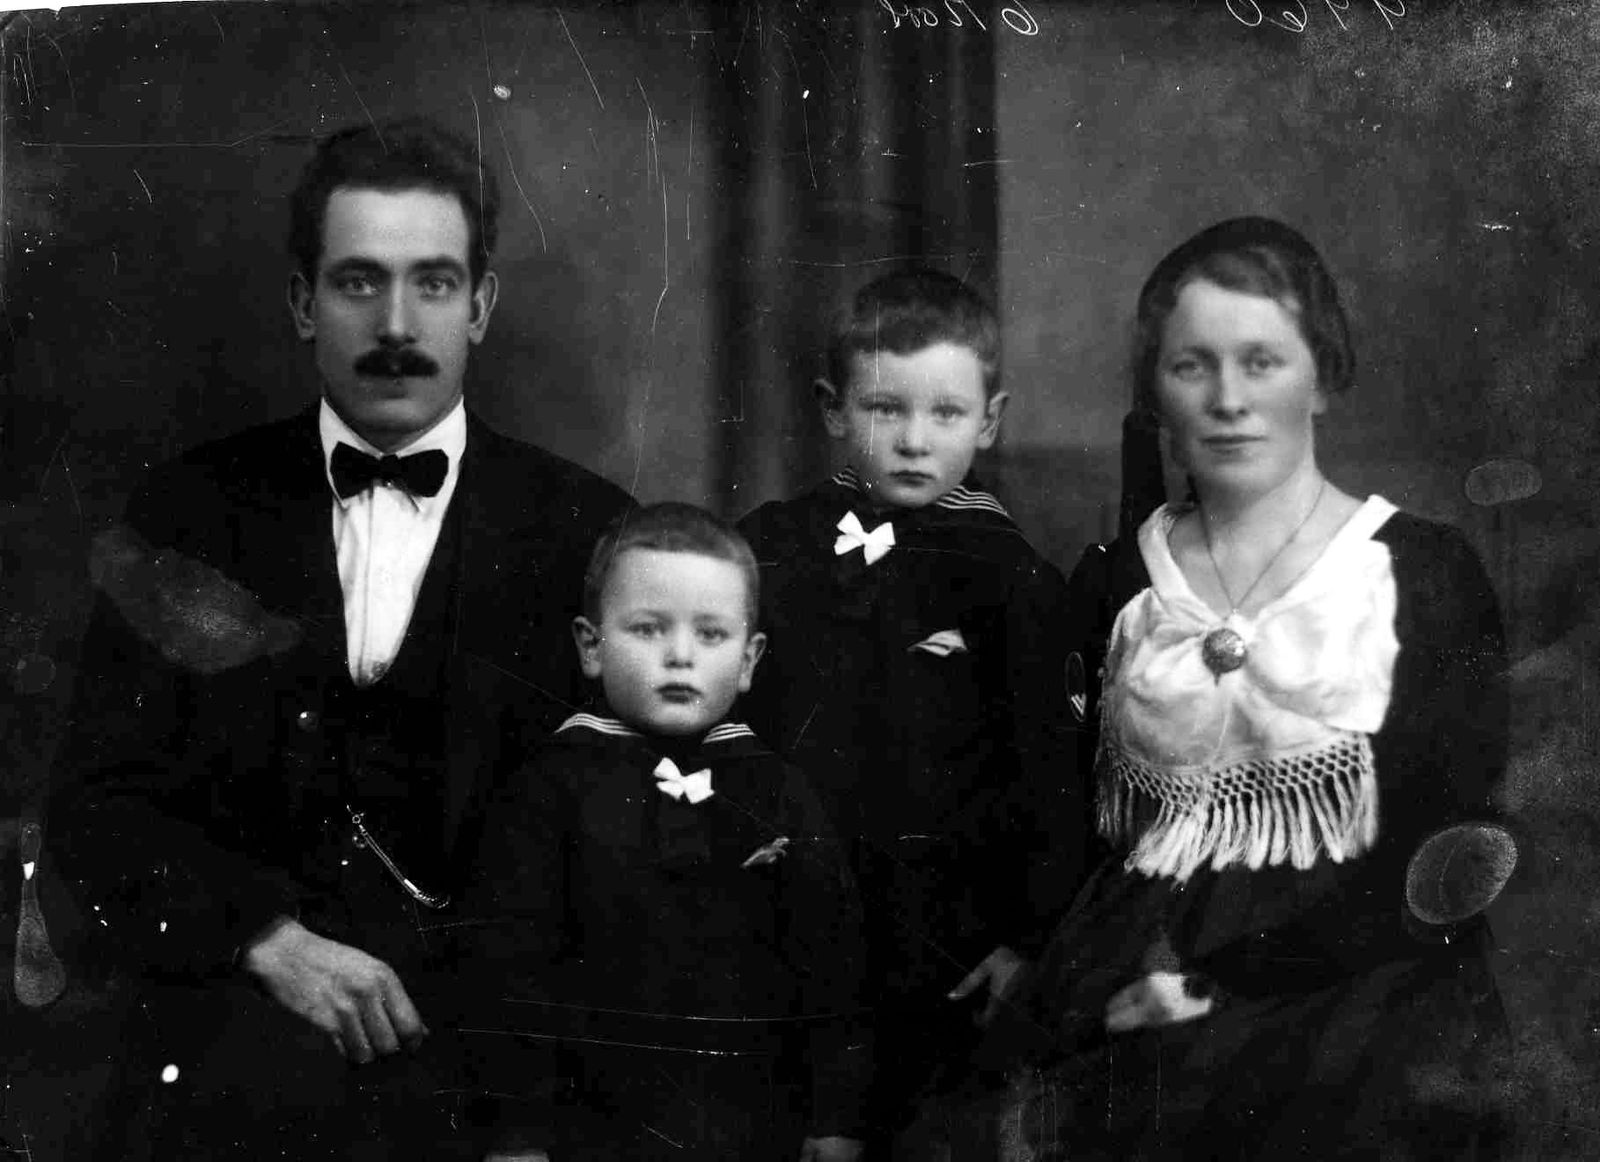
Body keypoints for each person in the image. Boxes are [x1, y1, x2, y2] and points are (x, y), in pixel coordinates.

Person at [47, 117, 632, 1159]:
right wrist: (266, 939)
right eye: (359, 281)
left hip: (493, 1090)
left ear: (481, 305)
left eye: (434, 283)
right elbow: (95, 809)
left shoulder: (588, 531)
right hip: (234, 1069)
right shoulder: (190, 512)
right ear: (301, 302)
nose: (396, 324)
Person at [992, 217, 1510, 1159]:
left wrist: (1225, 985)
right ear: (1155, 391)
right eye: (1192, 366)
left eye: (1262, 362)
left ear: (1324, 377)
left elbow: (1453, 846)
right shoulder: (1115, 581)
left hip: (1356, 989)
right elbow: (1064, 823)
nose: (1228, 399)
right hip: (1128, 986)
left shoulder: (1423, 573)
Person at [736, 269, 1085, 1151]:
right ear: (832, 409)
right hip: (786, 910)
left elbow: (1052, 772)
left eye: (947, 414)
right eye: (885, 409)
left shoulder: (1012, 578)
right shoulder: (772, 545)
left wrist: (1029, 939)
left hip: (944, 930)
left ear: (990, 421)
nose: (915, 440)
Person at [459, 503, 869, 1161]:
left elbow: (833, 964)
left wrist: (836, 1120)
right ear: (591, 646)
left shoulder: (779, 791)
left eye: (711, 635)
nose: (680, 656)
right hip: (588, 1132)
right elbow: (511, 975)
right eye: (648, 629)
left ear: (749, 658)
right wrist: (518, 1136)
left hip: (752, 1126)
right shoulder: (550, 786)